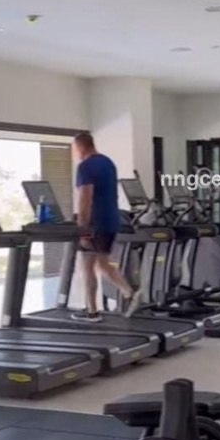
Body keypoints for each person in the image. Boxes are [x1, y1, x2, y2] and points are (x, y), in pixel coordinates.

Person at [71, 132, 141, 322]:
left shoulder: (85, 167)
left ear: (80, 147)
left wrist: (82, 227)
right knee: (102, 263)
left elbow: (85, 198)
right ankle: (128, 292)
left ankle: (92, 311)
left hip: (95, 223)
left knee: (87, 265)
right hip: (111, 220)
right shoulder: (108, 163)